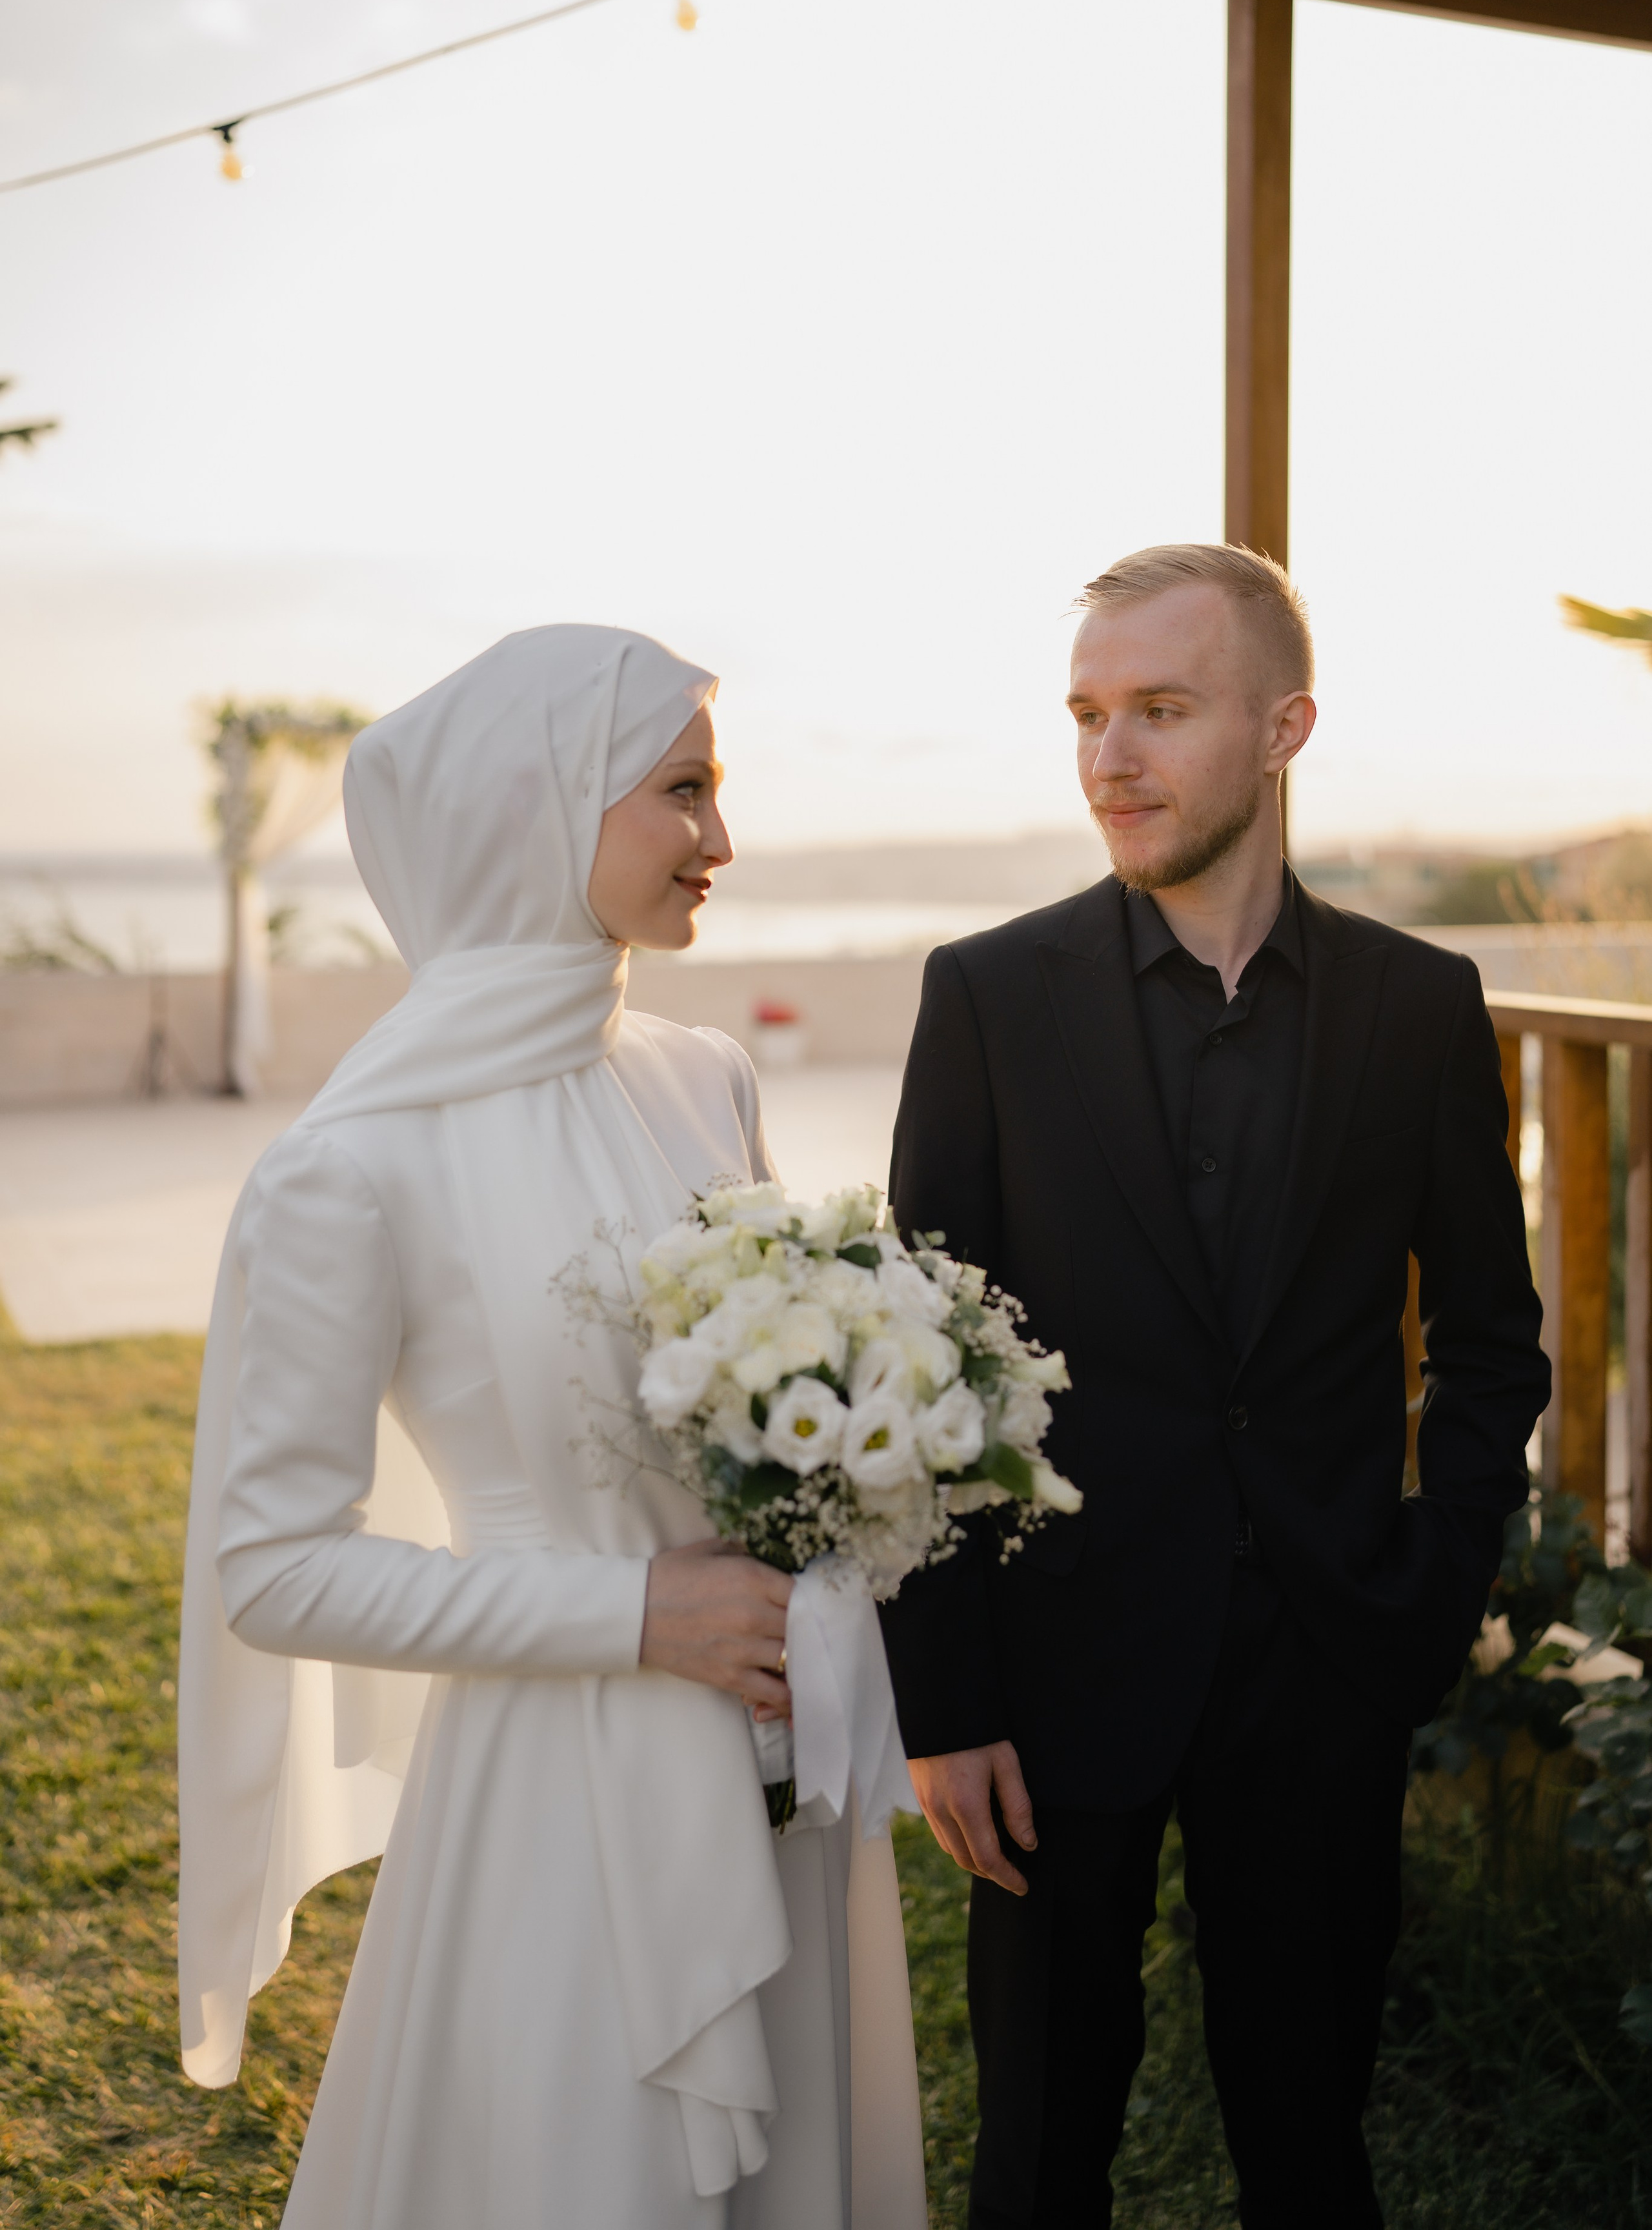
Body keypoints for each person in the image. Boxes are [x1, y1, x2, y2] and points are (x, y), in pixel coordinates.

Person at [177, 625, 927, 2230]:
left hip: (771, 1757)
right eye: (682, 792)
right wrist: (633, 1610)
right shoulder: (349, 1166)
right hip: (553, 1797)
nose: (721, 840)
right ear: (541, 803)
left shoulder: (704, 1078)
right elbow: (273, 1569)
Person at [878, 544, 1548, 2229]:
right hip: (1052, 1670)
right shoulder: (986, 997)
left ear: (1284, 728)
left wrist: (1428, 1584)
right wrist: (944, 1703)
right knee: (1039, 2146)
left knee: (1310, 2141)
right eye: (1091, 714)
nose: (1112, 757)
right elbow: (920, 1364)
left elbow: (1488, 1338)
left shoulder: (1419, 1004)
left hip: (1325, 1657)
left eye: (1162, 711)